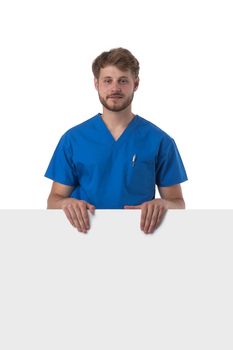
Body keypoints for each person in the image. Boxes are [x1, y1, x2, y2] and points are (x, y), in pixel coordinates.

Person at [45, 47, 188, 234]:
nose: (114, 88)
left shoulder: (160, 141)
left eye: (123, 81)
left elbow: (178, 203)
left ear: (135, 84)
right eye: (107, 81)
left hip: (141, 237)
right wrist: (66, 203)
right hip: (83, 236)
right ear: (96, 84)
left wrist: (163, 204)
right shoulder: (73, 139)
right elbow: (53, 200)